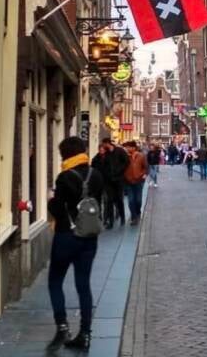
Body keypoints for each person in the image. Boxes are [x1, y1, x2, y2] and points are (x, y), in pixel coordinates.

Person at [47, 136, 104, 350]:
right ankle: (85, 334)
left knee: (55, 281)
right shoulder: (95, 174)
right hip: (89, 237)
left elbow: (57, 209)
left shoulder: (64, 177)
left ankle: (62, 326)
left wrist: (51, 200)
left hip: (66, 235)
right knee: (83, 285)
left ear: (65, 154)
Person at [100, 137, 129, 229]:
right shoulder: (106, 154)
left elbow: (126, 161)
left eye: (103, 144)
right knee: (110, 200)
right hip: (109, 180)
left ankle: (122, 217)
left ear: (107, 143)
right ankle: (111, 221)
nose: (103, 146)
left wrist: (120, 170)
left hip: (119, 179)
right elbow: (104, 166)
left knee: (119, 199)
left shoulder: (119, 151)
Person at [123, 141, 148, 225]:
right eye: (126, 147)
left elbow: (146, 167)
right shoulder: (125, 157)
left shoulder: (141, 156)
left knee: (138, 200)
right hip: (129, 181)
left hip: (139, 181)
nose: (127, 149)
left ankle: (138, 212)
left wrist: (143, 174)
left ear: (133, 148)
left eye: (128, 147)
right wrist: (125, 176)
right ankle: (133, 217)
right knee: (130, 200)